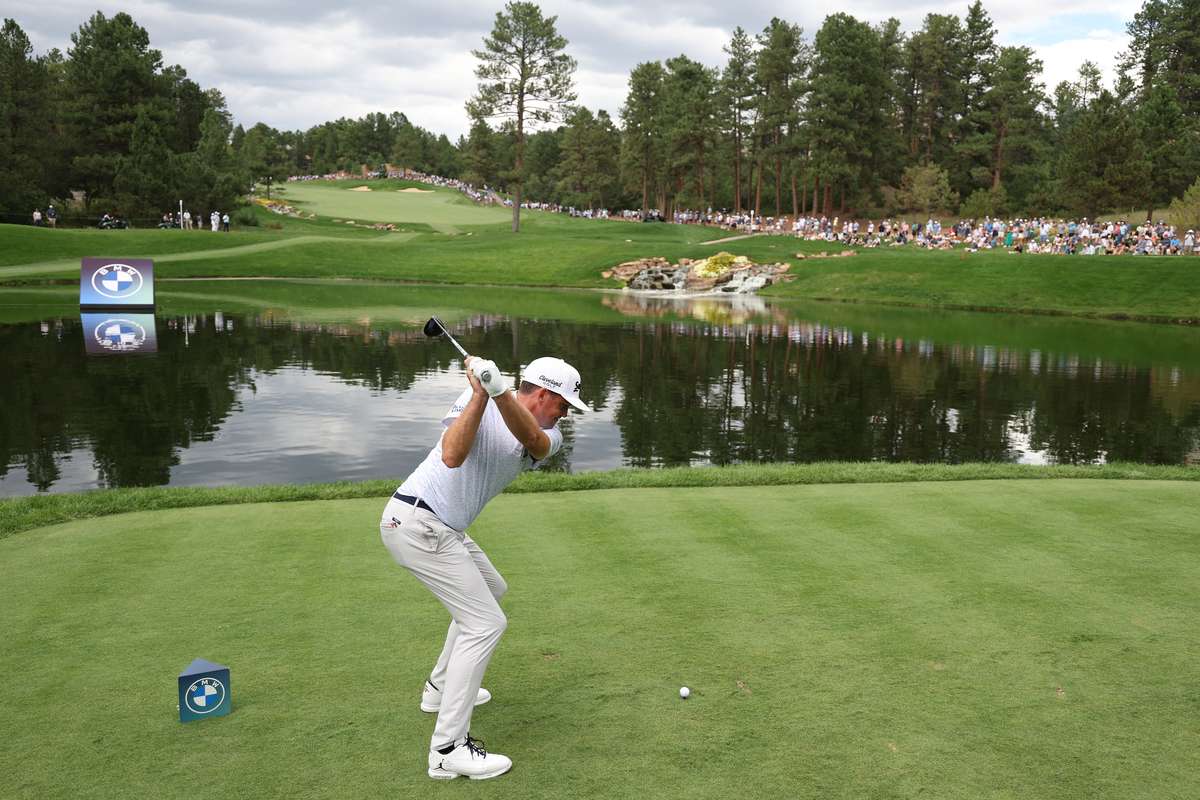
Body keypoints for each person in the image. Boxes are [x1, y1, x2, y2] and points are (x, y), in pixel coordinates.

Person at [380, 355, 586, 781]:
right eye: (563, 404)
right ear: (544, 393)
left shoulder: (550, 435)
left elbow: (532, 438)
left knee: (492, 589)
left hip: (444, 527)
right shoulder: (475, 398)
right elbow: (452, 455)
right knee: (486, 624)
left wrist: (496, 391)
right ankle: (448, 750)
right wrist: (480, 394)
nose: (565, 414)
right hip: (418, 522)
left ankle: (438, 690)